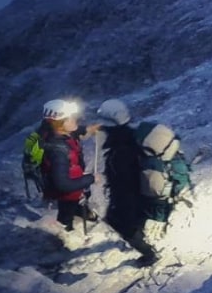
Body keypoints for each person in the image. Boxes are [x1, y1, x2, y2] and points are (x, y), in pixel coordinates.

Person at [95, 99, 158, 267]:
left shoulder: (120, 148)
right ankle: (140, 235)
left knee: (118, 221)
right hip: (138, 191)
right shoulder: (130, 136)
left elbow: (122, 178)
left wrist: (118, 199)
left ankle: (148, 254)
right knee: (127, 219)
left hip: (128, 195)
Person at [38, 99, 100, 232]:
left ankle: (78, 209)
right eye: (70, 118)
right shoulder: (58, 151)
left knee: (76, 199)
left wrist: (87, 129)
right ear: (60, 124)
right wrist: (91, 179)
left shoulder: (54, 132)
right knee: (67, 206)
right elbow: (63, 185)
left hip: (73, 178)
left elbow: (72, 132)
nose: (74, 119)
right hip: (68, 187)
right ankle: (65, 228)